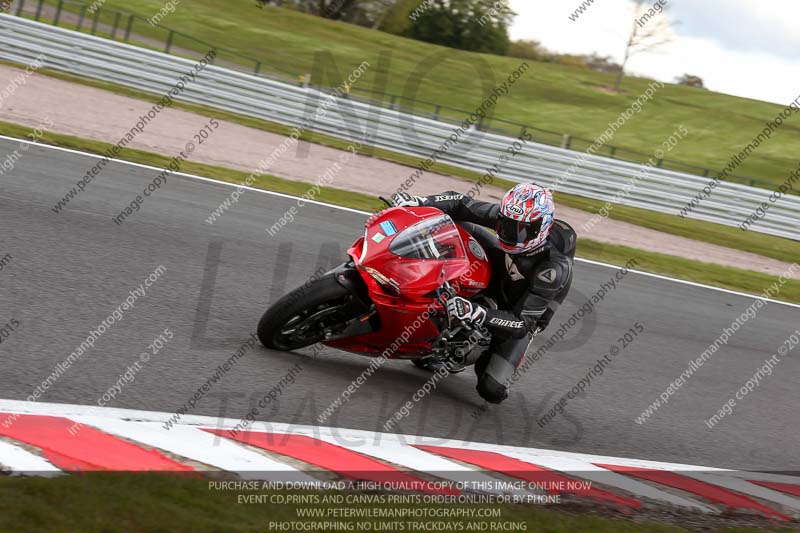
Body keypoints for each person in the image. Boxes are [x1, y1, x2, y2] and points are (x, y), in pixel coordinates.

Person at [391, 183, 576, 404]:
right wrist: (420, 202)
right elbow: (461, 203)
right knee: (452, 224)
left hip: (522, 310)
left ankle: (480, 344)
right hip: (504, 268)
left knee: (491, 389)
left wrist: (477, 312)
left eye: (521, 230)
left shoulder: (553, 269)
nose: (510, 234)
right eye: (506, 225)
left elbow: (521, 323)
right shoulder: (511, 217)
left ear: (541, 228)